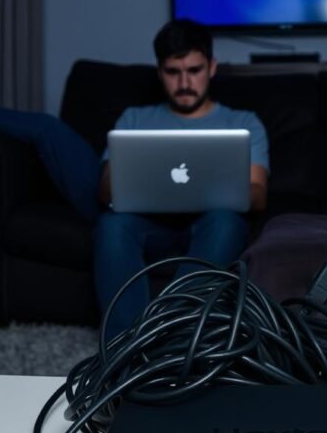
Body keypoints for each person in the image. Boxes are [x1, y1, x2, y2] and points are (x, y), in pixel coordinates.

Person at [93, 18, 269, 336]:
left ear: (212, 67)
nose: (184, 82)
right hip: (149, 226)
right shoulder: (134, 118)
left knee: (227, 221)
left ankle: (161, 330)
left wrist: (220, 187)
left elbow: (258, 195)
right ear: (160, 72)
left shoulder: (242, 122)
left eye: (194, 70)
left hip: (209, 226)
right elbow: (105, 191)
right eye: (173, 72)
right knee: (111, 223)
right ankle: (121, 344)